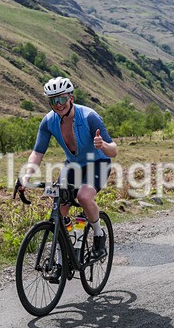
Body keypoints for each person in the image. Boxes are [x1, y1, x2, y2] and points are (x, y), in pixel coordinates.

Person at [19, 77, 118, 266]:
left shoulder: (89, 116)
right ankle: (62, 256)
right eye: (53, 101)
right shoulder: (48, 121)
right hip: (72, 165)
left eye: (62, 99)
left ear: (71, 97)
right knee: (59, 207)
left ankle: (99, 235)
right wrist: (26, 176)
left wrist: (103, 145)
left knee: (84, 197)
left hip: (97, 162)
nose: (58, 104)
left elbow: (114, 150)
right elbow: (38, 153)